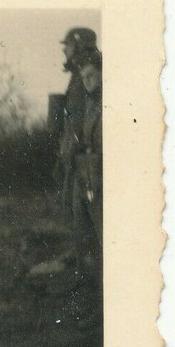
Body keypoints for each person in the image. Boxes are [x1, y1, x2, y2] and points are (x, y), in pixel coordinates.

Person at [71, 53, 103, 328]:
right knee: (89, 240)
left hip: (102, 179)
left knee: (104, 242)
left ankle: (105, 308)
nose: (88, 81)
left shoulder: (106, 103)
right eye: (84, 78)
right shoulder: (90, 103)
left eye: (92, 75)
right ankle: (94, 303)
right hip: (90, 178)